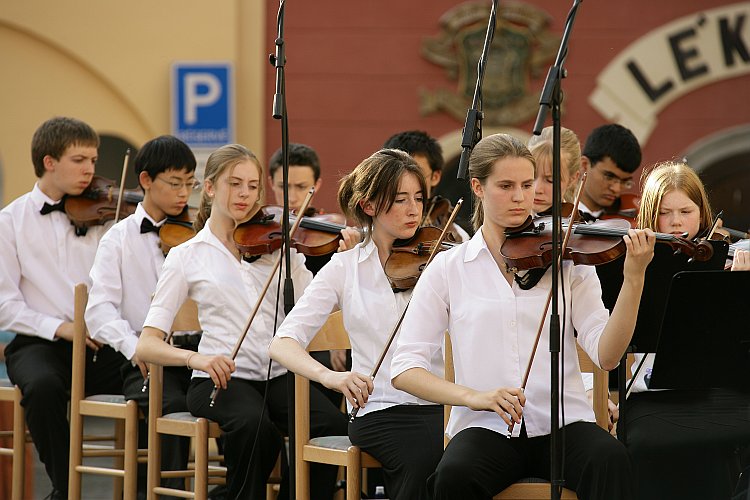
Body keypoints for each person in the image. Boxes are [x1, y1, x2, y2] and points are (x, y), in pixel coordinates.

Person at [390, 133, 656, 500]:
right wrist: (474, 397)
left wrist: (634, 278)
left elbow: (607, 355)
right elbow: (405, 368)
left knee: (610, 459)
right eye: (506, 185)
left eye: (527, 185)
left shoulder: (567, 258)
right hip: (486, 428)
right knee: (452, 475)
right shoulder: (449, 268)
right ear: (477, 187)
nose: (520, 197)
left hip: (564, 425)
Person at [135, 144, 347, 500]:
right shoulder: (187, 256)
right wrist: (198, 360)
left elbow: (317, 303)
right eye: (235, 184)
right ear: (212, 187)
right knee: (255, 427)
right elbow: (147, 343)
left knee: (331, 427)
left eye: (252, 186)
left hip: (278, 376)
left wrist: (344, 258)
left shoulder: (278, 246)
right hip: (219, 380)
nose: (245, 194)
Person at [269, 148, 444, 500]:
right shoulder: (343, 268)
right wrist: (332, 377)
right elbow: (282, 342)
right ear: (368, 206)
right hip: (380, 408)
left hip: (442, 402)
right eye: (400, 200)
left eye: (419, 199)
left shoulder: (443, 260)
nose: (414, 210)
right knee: (423, 455)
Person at [0, 117, 127, 500]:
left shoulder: (108, 216)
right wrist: (61, 327)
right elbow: (4, 305)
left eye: (94, 158)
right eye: (79, 159)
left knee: (154, 382)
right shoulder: (10, 221)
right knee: (42, 386)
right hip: (42, 342)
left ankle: (147, 488)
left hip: (101, 342)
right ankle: (64, 488)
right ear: (49, 161)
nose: (91, 169)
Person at [620, 160, 750, 500]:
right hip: (647, 394)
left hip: (713, 389)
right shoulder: (631, 261)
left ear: (703, 214)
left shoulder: (720, 259)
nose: (676, 222)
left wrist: (738, 290)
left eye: (685, 211)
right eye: (665, 213)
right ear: (650, 216)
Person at [85, 135, 198, 495]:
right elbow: (99, 311)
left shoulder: (199, 238)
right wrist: (136, 347)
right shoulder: (117, 239)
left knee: (233, 402)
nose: (184, 194)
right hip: (141, 359)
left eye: (190, 184)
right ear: (146, 181)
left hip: (195, 354)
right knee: (172, 406)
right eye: (175, 183)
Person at [383, 130, 471, 241]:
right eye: (397, 173)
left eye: (417, 173)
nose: (406, 183)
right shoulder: (366, 236)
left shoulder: (458, 237)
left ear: (435, 177)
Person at [578, 124, 642, 222]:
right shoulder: (553, 210)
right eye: (609, 177)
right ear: (584, 165)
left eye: (625, 181)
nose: (616, 189)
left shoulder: (634, 218)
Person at [528, 126, 582, 215]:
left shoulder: (572, 226)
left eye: (550, 180)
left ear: (572, 179)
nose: (537, 189)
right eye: (531, 177)